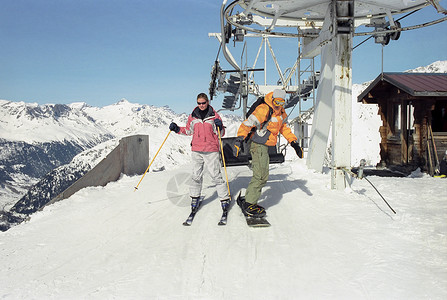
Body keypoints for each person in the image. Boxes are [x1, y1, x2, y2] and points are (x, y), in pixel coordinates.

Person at [234, 89, 303, 218]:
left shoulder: (281, 112)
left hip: (265, 145)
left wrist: (294, 143)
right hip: (258, 144)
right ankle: (250, 204)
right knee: (260, 176)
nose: (278, 105)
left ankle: (249, 198)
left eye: (282, 102)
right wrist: (239, 140)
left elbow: (284, 128)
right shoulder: (264, 109)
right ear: (273, 99)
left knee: (262, 175)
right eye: (277, 101)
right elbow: (247, 124)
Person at [169, 93, 230, 211]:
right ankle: (195, 198)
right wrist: (177, 129)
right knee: (196, 176)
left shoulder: (214, 116)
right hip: (197, 150)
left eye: (203, 103)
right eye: (199, 103)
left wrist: (220, 127)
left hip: (211, 150)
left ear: (207, 102)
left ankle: (224, 199)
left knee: (216, 175)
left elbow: (221, 134)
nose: (201, 105)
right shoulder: (193, 116)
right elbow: (188, 131)